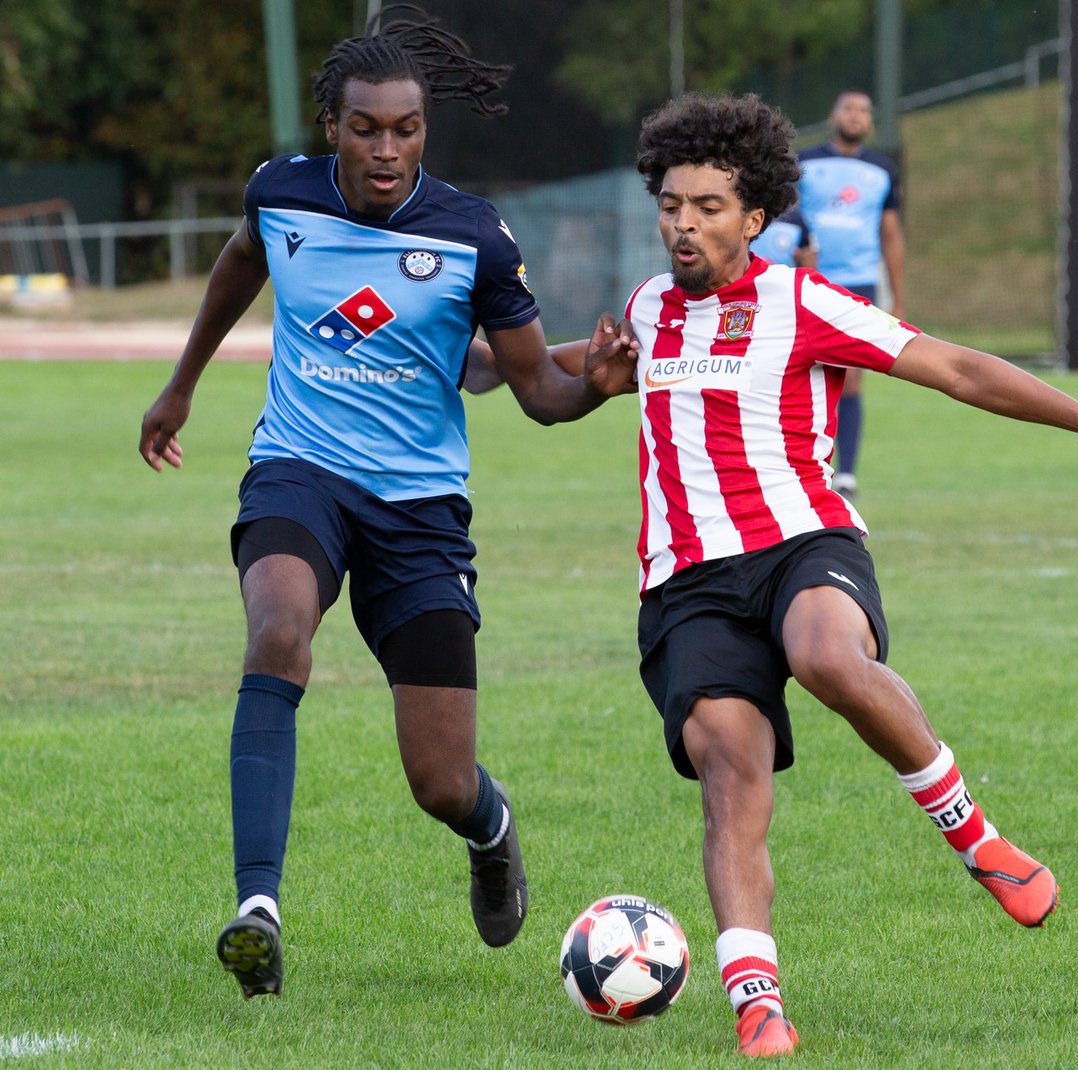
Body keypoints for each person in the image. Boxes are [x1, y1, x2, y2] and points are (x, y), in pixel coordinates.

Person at [622, 92, 1078, 1058]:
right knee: (728, 769)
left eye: (708, 206)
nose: (685, 222)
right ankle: (757, 1001)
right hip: (687, 583)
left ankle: (976, 839)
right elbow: (563, 379)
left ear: (754, 217)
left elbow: (955, 368)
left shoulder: (803, 302)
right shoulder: (645, 312)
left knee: (826, 656)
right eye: (672, 204)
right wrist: (475, 351)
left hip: (803, 543)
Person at [138, 8, 636, 1001]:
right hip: (299, 471)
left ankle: (490, 831)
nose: (386, 149)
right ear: (333, 125)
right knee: (277, 630)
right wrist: (182, 383)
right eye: (366, 128)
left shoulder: (474, 235)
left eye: (406, 130)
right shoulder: (280, 194)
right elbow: (240, 261)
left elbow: (535, 387)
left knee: (440, 780)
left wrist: (596, 388)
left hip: (419, 507)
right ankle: (258, 909)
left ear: (424, 131)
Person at [793, 89, 905, 497]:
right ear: (833, 115)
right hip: (806, 281)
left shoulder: (882, 169)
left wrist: (897, 295)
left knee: (851, 377)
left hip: (857, 282)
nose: (855, 116)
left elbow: (890, 234)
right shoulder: (803, 162)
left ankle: (846, 473)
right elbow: (785, 220)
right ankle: (798, 465)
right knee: (796, 372)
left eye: (863, 110)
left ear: (870, 121)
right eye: (848, 109)